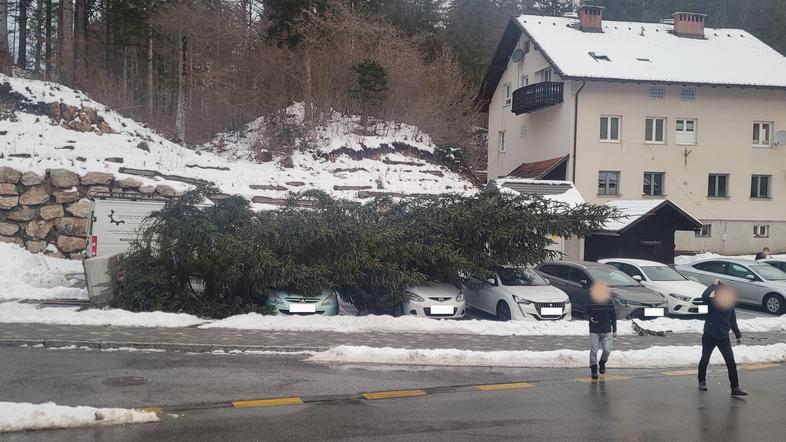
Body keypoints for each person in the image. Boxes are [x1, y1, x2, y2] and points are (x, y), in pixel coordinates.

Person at [698, 281, 747, 396]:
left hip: (724, 337)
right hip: (710, 335)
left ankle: (735, 387)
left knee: (731, 362)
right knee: (705, 358)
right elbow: (704, 295)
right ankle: (702, 380)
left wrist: (738, 335)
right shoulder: (710, 302)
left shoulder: (729, 305)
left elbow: (733, 322)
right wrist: (713, 285)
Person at [587, 282, 617, 380]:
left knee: (607, 350)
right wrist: (590, 318)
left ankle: (602, 362)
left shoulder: (609, 302)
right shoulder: (591, 301)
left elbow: (613, 317)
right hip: (594, 330)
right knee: (594, 350)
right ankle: (594, 369)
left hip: (607, 330)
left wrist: (615, 329)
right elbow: (585, 313)